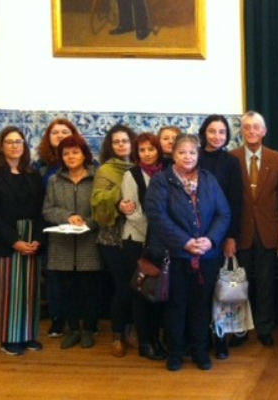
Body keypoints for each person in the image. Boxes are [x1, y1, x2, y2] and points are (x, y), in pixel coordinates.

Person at [145, 134, 231, 371]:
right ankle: (175, 354)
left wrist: (210, 240)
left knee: (201, 306)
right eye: (182, 152)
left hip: (207, 256)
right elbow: (157, 216)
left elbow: (223, 214)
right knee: (176, 306)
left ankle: (200, 352)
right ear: (173, 155)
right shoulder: (161, 181)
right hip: (175, 256)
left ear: (198, 154)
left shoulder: (209, 179)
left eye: (192, 152)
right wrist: (185, 242)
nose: (188, 157)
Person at [0, 126, 45, 356]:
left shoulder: (32, 174)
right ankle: (7, 338)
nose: (15, 145)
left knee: (28, 291)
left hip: (30, 237)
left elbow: (41, 210)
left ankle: (27, 334)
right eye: (9, 142)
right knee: (6, 291)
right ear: (1, 146)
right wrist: (14, 241)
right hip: (4, 239)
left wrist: (37, 239)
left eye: (19, 141)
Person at [230, 111, 278, 347]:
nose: (251, 131)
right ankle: (241, 329)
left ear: (264, 131)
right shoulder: (231, 158)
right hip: (240, 231)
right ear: (241, 131)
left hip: (268, 230)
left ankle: (264, 328)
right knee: (239, 283)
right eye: (247, 127)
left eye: (256, 127)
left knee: (265, 283)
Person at [42, 135, 100, 350]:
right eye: (66, 153)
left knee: (90, 290)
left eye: (75, 152)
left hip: (89, 242)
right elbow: (48, 210)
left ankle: (89, 329)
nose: (71, 156)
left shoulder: (97, 178)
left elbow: (103, 210)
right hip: (62, 244)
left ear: (84, 154)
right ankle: (74, 330)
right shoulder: (54, 181)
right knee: (67, 290)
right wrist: (67, 217)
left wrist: (88, 222)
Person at [197, 114, 244, 359]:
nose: (217, 136)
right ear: (204, 133)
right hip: (194, 235)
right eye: (212, 131)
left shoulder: (231, 162)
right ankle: (200, 339)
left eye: (222, 132)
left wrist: (231, 237)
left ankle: (221, 337)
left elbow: (236, 202)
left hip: (220, 234)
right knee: (199, 291)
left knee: (220, 289)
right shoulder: (193, 157)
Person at [34, 118, 86, 338]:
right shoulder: (40, 166)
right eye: (55, 132)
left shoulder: (87, 166)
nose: (60, 135)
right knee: (54, 275)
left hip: (81, 228)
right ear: (48, 137)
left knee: (80, 277)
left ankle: (82, 321)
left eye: (65, 131)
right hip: (50, 227)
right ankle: (57, 318)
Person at [119, 132, 167, 361]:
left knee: (157, 292)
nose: (147, 154)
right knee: (141, 293)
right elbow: (132, 212)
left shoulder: (167, 171)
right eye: (142, 150)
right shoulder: (131, 175)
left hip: (160, 243)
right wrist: (156, 231)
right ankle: (145, 342)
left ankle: (157, 339)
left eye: (151, 149)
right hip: (137, 241)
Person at [91, 124, 136, 357]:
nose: (121, 145)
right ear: (110, 145)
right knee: (121, 286)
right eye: (116, 141)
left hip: (137, 235)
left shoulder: (141, 166)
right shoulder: (105, 170)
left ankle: (134, 329)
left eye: (125, 141)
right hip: (112, 238)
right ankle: (118, 334)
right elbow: (97, 200)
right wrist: (119, 198)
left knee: (137, 286)